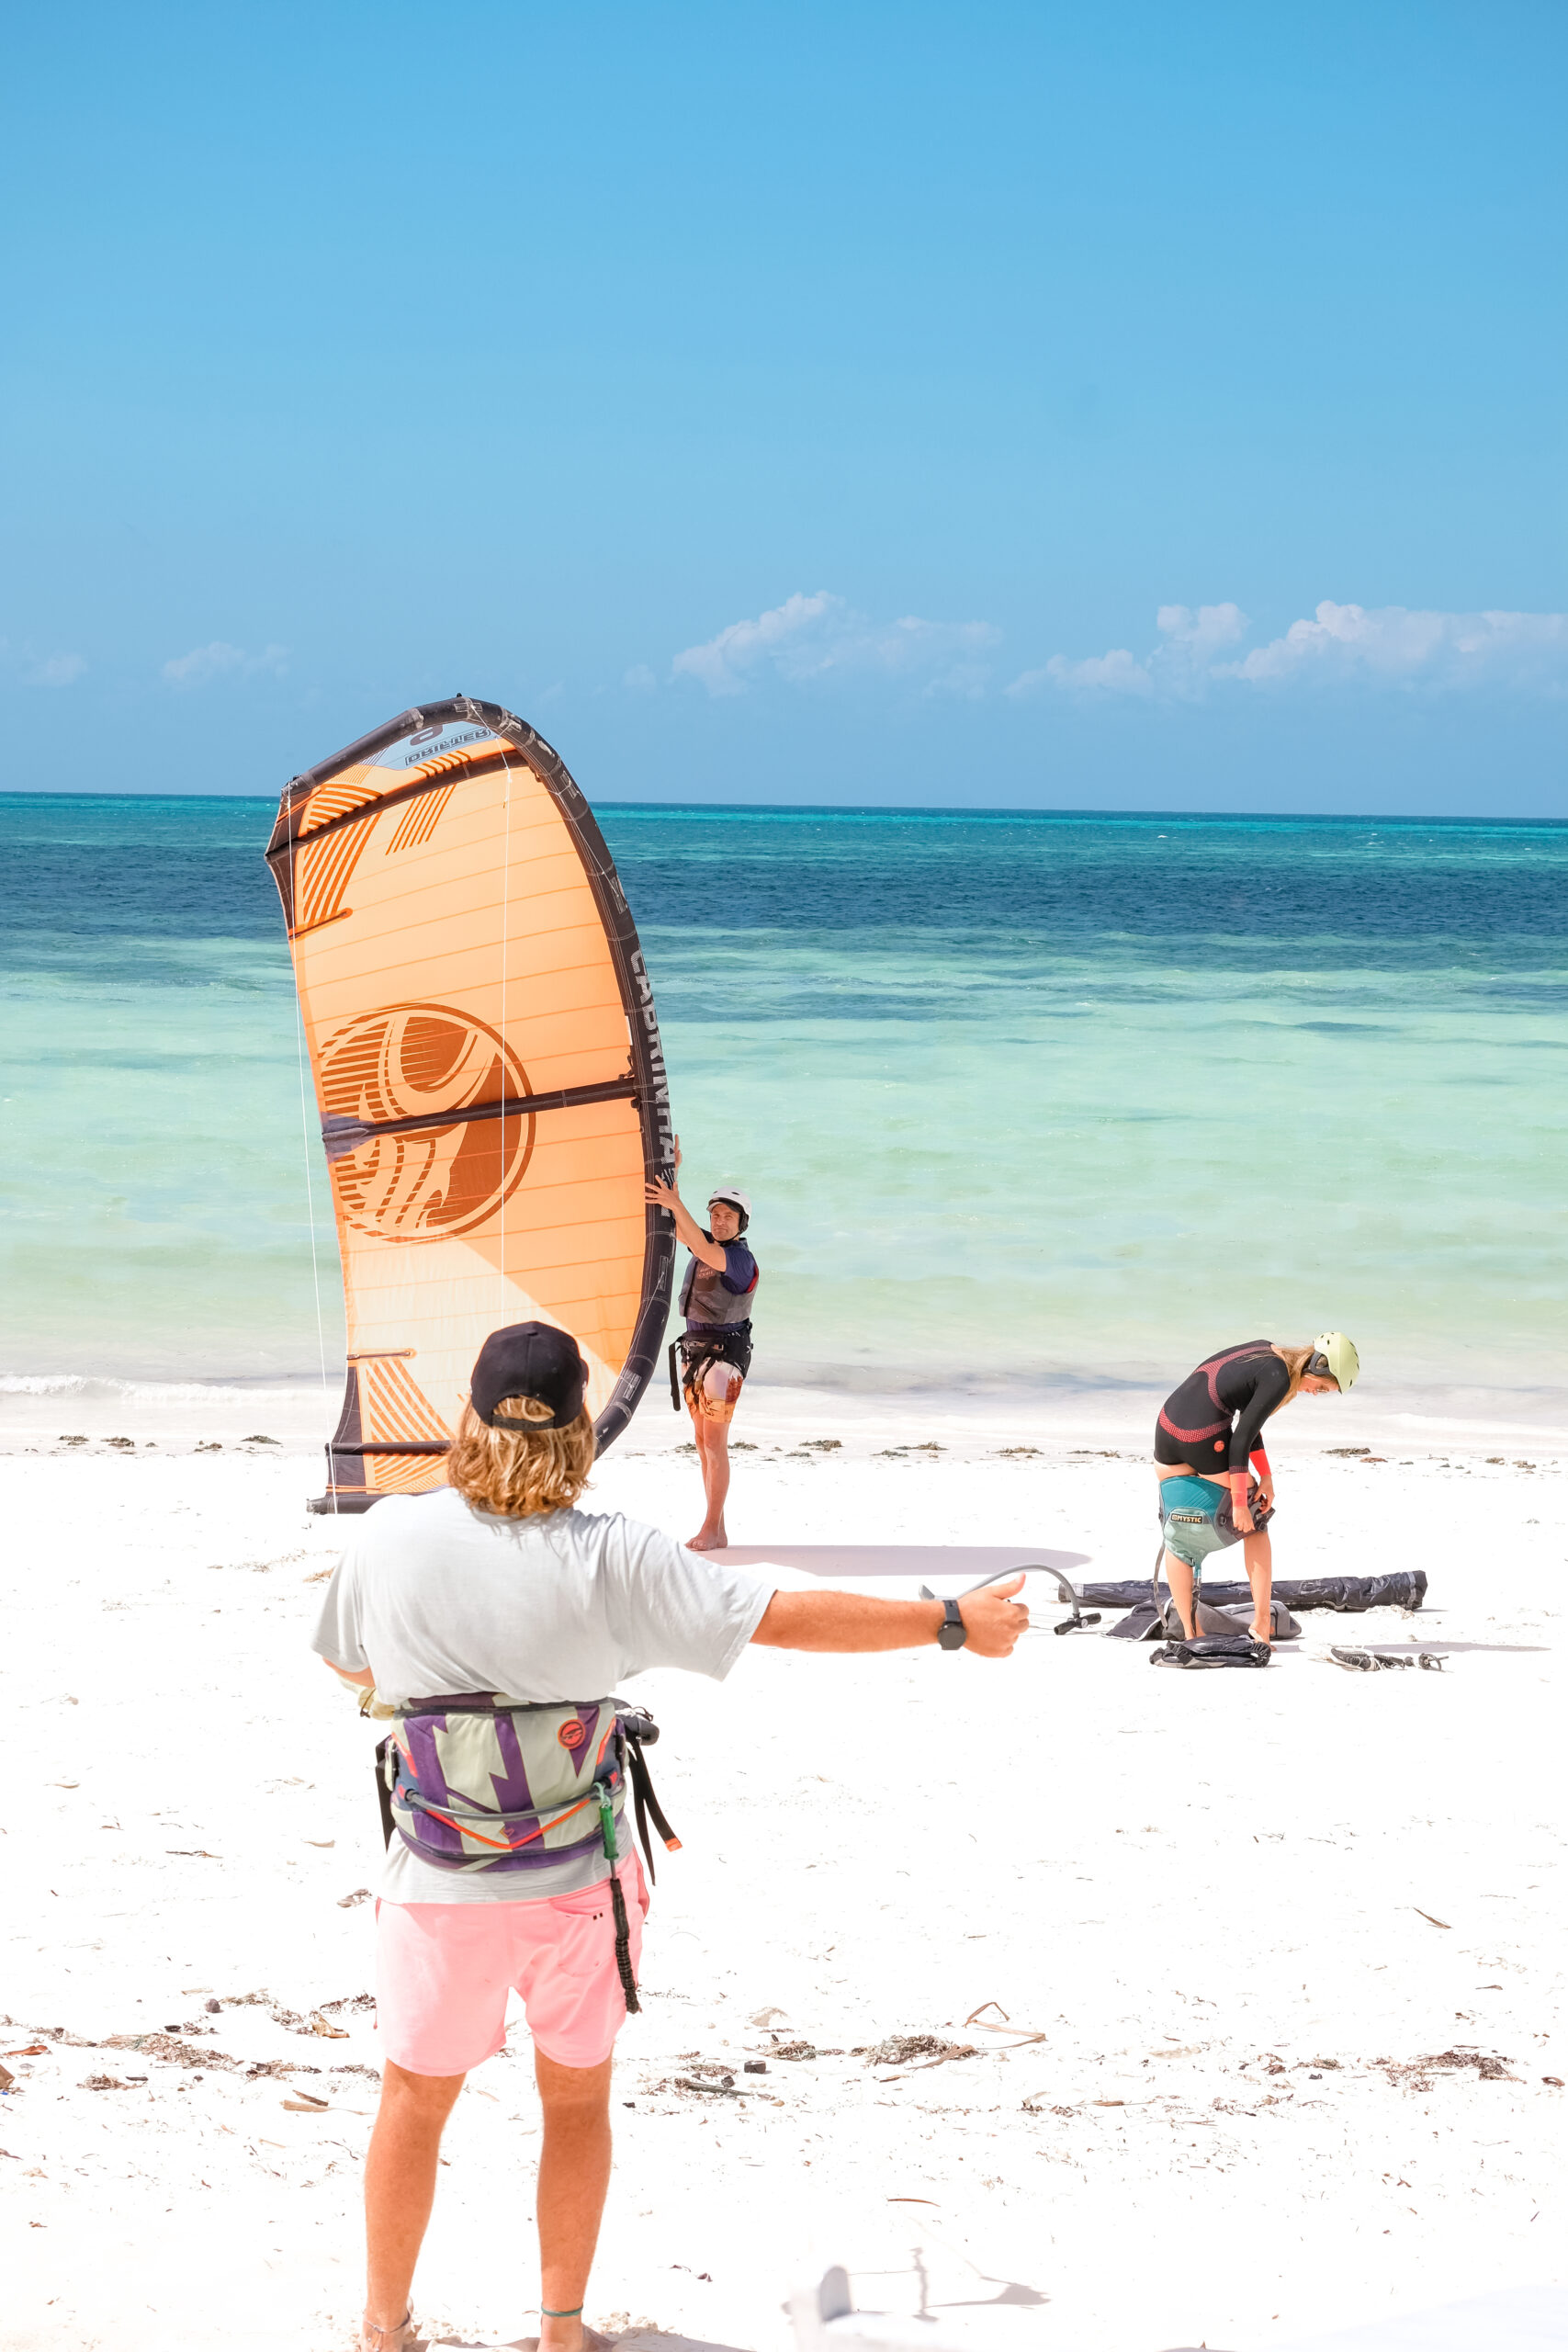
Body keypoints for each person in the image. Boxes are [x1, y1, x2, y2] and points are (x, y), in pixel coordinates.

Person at [313, 1319, 1029, 2352]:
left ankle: (385, 2332)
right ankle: (561, 2333)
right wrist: (950, 1621)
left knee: (413, 2103)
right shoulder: (616, 1555)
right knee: (574, 2100)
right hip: (575, 1885)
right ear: (581, 1430)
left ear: (465, 1417)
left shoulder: (388, 1534)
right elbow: (779, 1616)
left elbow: (350, 1666)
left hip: (435, 1880)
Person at [1154, 1332, 1359, 1644]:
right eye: (1321, 1387)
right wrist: (1240, 1503)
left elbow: (1248, 1426)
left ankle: (1190, 1632)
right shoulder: (1278, 1378)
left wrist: (1266, 1475)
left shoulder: (1266, 1354)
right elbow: (1240, 1440)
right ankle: (1261, 1624)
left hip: (1166, 1430)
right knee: (1256, 1518)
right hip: (1201, 1436)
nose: (1316, 1393)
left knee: (1178, 1533)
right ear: (1317, 1365)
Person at [644, 1138, 757, 1551]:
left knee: (715, 1443)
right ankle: (717, 1528)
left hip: (725, 1357)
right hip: (694, 1354)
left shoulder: (740, 1260)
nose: (720, 1220)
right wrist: (673, 1173)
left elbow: (699, 1241)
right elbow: (681, 1228)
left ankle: (711, 1527)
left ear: (742, 1224)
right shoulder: (701, 1244)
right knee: (701, 1442)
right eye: (715, 1214)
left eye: (728, 1216)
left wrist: (677, 1201)